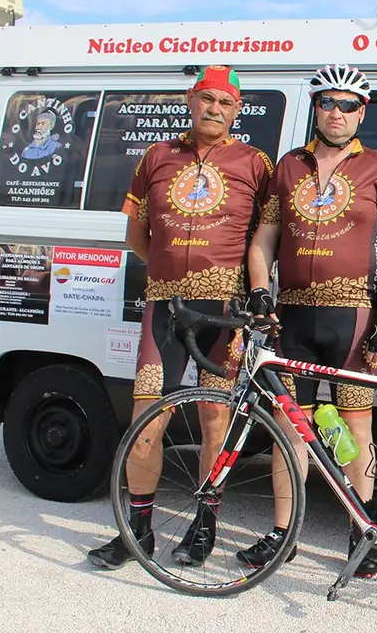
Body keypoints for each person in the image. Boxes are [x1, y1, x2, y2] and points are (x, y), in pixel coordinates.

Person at [88, 65, 274, 569]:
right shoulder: (157, 155)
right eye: (206, 99)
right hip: (163, 303)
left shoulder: (256, 162)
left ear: (238, 110)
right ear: (190, 100)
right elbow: (135, 231)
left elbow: (266, 239)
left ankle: (204, 525)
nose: (214, 109)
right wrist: (168, 269)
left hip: (225, 309)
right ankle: (137, 532)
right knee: (147, 412)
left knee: (215, 416)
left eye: (225, 102)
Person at [239, 63, 377, 578]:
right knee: (288, 428)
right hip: (290, 314)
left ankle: (362, 536)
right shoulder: (288, 165)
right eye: (327, 103)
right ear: (315, 107)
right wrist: (256, 289)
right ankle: (282, 533)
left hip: (352, 316)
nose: (336, 113)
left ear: (363, 112)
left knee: (356, 427)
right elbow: (263, 241)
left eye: (348, 105)